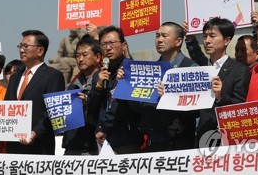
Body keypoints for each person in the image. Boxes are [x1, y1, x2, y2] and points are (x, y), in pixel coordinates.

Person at [4, 30, 65, 155]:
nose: (21, 50)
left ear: (40, 51)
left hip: (39, 147)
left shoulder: (53, 76)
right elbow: (5, 107)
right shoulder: (15, 78)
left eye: (26, 46)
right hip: (13, 147)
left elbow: (53, 111)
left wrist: (35, 133)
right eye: (20, 46)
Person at [141, 22, 197, 152]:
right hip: (154, 141)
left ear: (178, 41)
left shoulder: (190, 68)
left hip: (179, 143)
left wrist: (171, 97)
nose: (159, 40)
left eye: (164, 36)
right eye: (157, 36)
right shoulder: (151, 71)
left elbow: (196, 111)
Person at [196, 18, 250, 147]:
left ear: (226, 40)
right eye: (205, 36)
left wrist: (220, 96)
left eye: (212, 36)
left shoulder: (239, 70)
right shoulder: (200, 70)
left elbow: (239, 106)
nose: (207, 41)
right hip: (201, 137)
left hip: (225, 140)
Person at [92, 26, 142, 154]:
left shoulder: (131, 71)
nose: (108, 48)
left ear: (124, 45)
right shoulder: (100, 74)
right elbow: (92, 109)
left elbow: (122, 106)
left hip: (127, 140)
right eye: (103, 44)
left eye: (112, 43)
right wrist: (98, 87)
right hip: (103, 140)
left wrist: (103, 127)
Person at [62, 35, 101, 155]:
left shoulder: (103, 80)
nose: (80, 59)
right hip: (72, 147)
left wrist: (88, 102)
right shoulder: (74, 83)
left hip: (92, 147)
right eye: (77, 56)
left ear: (98, 57)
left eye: (85, 55)